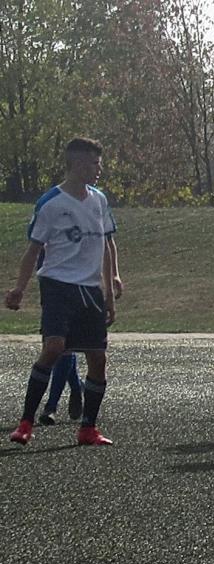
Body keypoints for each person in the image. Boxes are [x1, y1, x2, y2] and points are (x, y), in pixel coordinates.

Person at [7, 137, 117, 446]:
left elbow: (106, 246)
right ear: (79, 164)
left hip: (90, 289)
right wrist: (19, 288)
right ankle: (26, 423)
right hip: (58, 286)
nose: (99, 169)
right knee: (54, 348)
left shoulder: (99, 200)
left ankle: (88, 428)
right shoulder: (50, 203)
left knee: (98, 359)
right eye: (95, 164)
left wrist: (109, 292)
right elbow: (33, 250)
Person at [39, 234, 123, 425]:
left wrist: (114, 276)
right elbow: (37, 244)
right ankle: (76, 388)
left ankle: (51, 406)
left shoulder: (94, 204)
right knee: (55, 346)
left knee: (63, 345)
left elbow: (107, 240)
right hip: (53, 282)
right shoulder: (46, 205)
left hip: (82, 283)